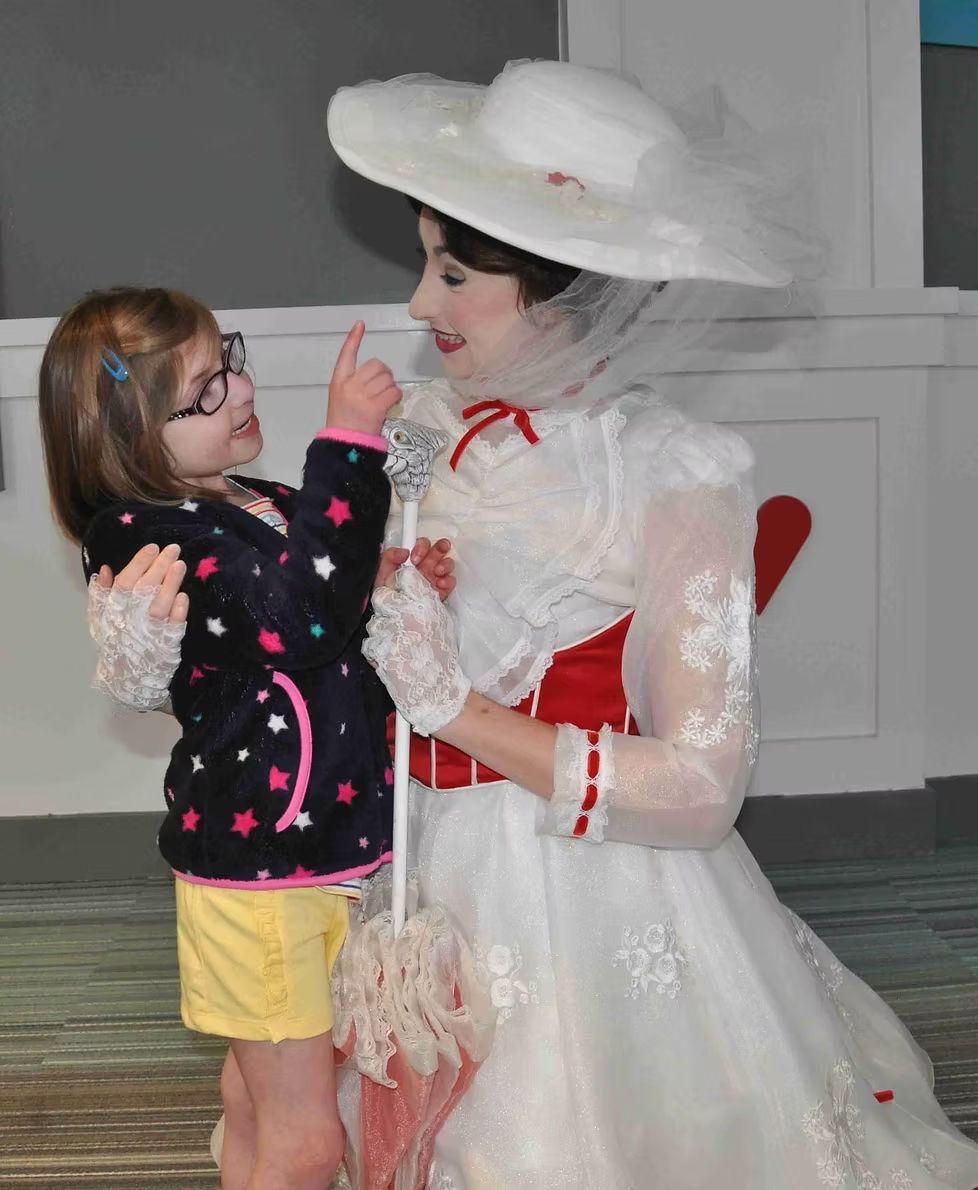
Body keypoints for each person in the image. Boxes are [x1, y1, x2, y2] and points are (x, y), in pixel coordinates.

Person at [89, 63, 978, 1188]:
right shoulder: (409, 426)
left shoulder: (674, 474)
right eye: (425, 261)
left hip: (575, 901)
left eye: (453, 271)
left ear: (567, 291)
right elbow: (285, 612)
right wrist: (149, 648)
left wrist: (458, 705)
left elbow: (704, 785)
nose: (419, 304)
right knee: (284, 1102)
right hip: (375, 859)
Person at [38, 287, 454, 1190]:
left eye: (227, 362)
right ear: (130, 437)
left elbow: (319, 597)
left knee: (257, 1092)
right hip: (261, 866)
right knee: (307, 1138)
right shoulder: (144, 534)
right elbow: (296, 620)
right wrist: (347, 443)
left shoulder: (251, 498)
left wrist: (382, 572)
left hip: (303, 850)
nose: (238, 390)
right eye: (204, 391)